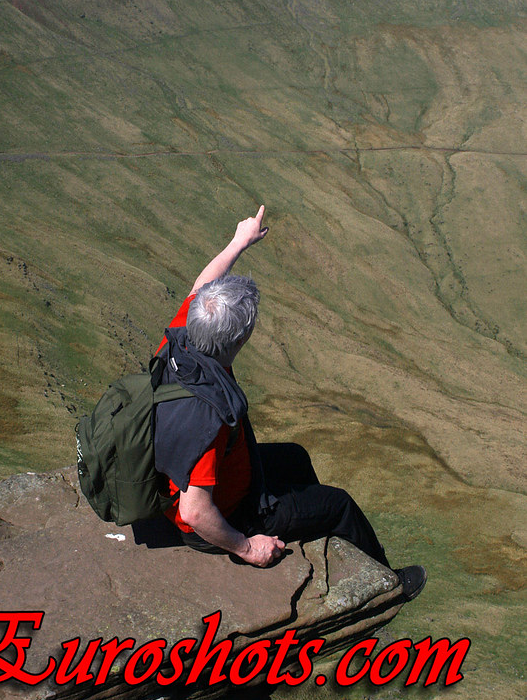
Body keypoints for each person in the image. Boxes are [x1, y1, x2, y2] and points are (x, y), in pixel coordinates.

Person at [153, 204, 426, 600]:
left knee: (295, 458)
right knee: (339, 504)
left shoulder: (183, 337)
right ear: (239, 341)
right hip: (234, 515)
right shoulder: (207, 416)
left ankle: (314, 536)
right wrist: (247, 548)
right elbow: (195, 511)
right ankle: (389, 587)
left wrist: (238, 243)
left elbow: (204, 287)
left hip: (229, 479)